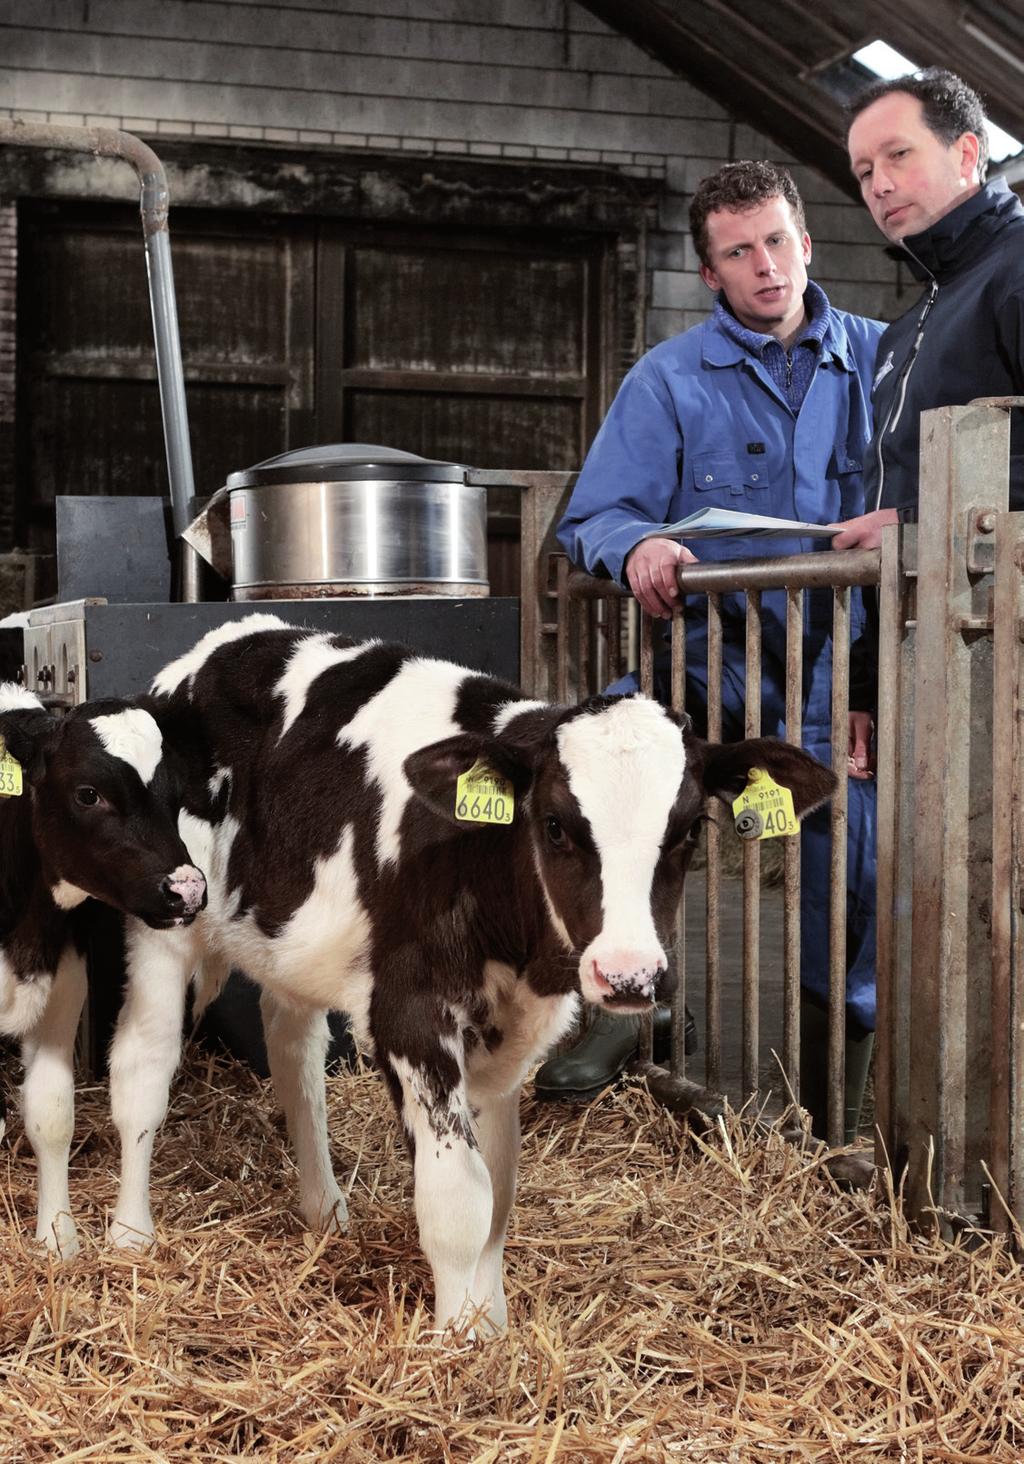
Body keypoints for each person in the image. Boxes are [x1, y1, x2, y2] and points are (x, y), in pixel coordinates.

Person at [534, 161, 884, 1142]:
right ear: (708, 272)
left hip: (833, 672)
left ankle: (838, 1087)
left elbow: (919, 509)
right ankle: (627, 1002)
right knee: (607, 805)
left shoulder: (877, 361)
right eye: (740, 252)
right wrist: (637, 542)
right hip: (703, 665)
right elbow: (595, 515)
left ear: (806, 243)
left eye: (777, 241)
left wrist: (873, 682)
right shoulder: (669, 379)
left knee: (853, 864)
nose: (765, 266)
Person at [833, 67, 1024, 737]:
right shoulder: (905, 328)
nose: (878, 185)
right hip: (929, 658)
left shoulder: (1017, 270)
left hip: (1008, 651)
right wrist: (869, 684)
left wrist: (914, 522)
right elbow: (886, 503)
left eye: (897, 155)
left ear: (968, 153)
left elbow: (903, 515)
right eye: (862, 171)